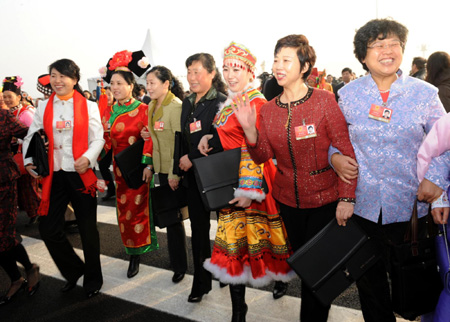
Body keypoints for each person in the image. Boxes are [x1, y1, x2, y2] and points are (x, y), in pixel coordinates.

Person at [330, 19, 449, 322]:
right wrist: (334, 158)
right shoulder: (348, 94)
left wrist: (436, 181)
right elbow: (334, 139)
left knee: (412, 281)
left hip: (410, 206)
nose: (387, 50)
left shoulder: (424, 94)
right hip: (362, 206)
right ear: (363, 55)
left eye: (393, 43)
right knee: (370, 287)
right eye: (378, 44)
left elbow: (444, 142)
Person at [233, 34, 357, 322]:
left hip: (324, 199)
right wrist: (251, 132)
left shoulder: (324, 101)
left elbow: (345, 150)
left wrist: (347, 197)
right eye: (276, 59)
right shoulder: (268, 109)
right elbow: (263, 155)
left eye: (286, 60)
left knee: (318, 271)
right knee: (304, 268)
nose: (278, 65)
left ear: (304, 67)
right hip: (287, 200)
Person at [198, 42, 295, 322]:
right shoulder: (232, 100)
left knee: (265, 240)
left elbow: (256, 148)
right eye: (226, 68)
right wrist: (209, 138)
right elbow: (228, 136)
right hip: (231, 180)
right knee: (235, 248)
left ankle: (279, 280)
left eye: (236, 69)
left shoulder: (256, 102)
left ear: (250, 72)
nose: (230, 74)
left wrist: (248, 190)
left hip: (254, 182)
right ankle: (239, 309)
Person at [22, 59, 104, 298]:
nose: (58, 81)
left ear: (74, 79)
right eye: (54, 76)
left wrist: (88, 158)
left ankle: (93, 279)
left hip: (80, 176)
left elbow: (98, 138)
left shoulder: (89, 106)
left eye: (63, 76)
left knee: (89, 230)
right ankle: (74, 271)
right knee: (48, 228)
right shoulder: (43, 106)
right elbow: (31, 135)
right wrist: (28, 161)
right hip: (54, 176)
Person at [100, 50, 157, 278]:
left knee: (138, 210)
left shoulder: (143, 110)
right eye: (112, 83)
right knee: (124, 211)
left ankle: (136, 254)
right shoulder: (109, 111)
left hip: (137, 168)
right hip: (118, 169)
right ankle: (131, 248)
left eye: (120, 83)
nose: (115, 87)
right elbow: (103, 140)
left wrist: (147, 164)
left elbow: (150, 138)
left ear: (131, 85)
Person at [179, 53, 227, 303]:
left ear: (211, 73)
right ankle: (201, 282)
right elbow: (184, 137)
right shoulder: (187, 102)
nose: (192, 77)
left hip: (216, 178)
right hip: (192, 179)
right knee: (198, 231)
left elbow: (221, 143)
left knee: (224, 230)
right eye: (189, 72)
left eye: (197, 71)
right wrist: (180, 167)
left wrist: (191, 158)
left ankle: (225, 274)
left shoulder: (221, 102)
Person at [141, 65, 188, 284]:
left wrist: (175, 173)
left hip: (173, 170)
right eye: (147, 82)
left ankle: (180, 265)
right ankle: (175, 260)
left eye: (152, 82)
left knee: (174, 218)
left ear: (166, 84)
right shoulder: (151, 105)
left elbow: (180, 142)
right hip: (160, 169)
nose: (148, 87)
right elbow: (154, 137)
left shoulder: (175, 106)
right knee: (169, 216)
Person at [0, 108, 40, 305]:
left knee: (3, 235)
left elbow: (31, 132)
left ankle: (29, 268)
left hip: (3, 183)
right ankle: (16, 278)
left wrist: (32, 160)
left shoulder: (3, 116)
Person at [2, 77, 40, 225]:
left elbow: (34, 134)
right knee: (21, 187)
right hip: (15, 156)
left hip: (27, 154)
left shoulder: (26, 113)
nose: (7, 100)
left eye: (9, 97)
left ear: (18, 97)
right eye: (4, 97)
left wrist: (17, 139)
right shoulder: (9, 113)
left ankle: (37, 212)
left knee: (29, 186)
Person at [98, 86, 116, 201]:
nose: (108, 97)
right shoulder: (100, 109)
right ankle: (111, 189)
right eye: (105, 95)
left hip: (116, 142)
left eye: (110, 94)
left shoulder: (117, 108)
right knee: (103, 166)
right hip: (105, 143)